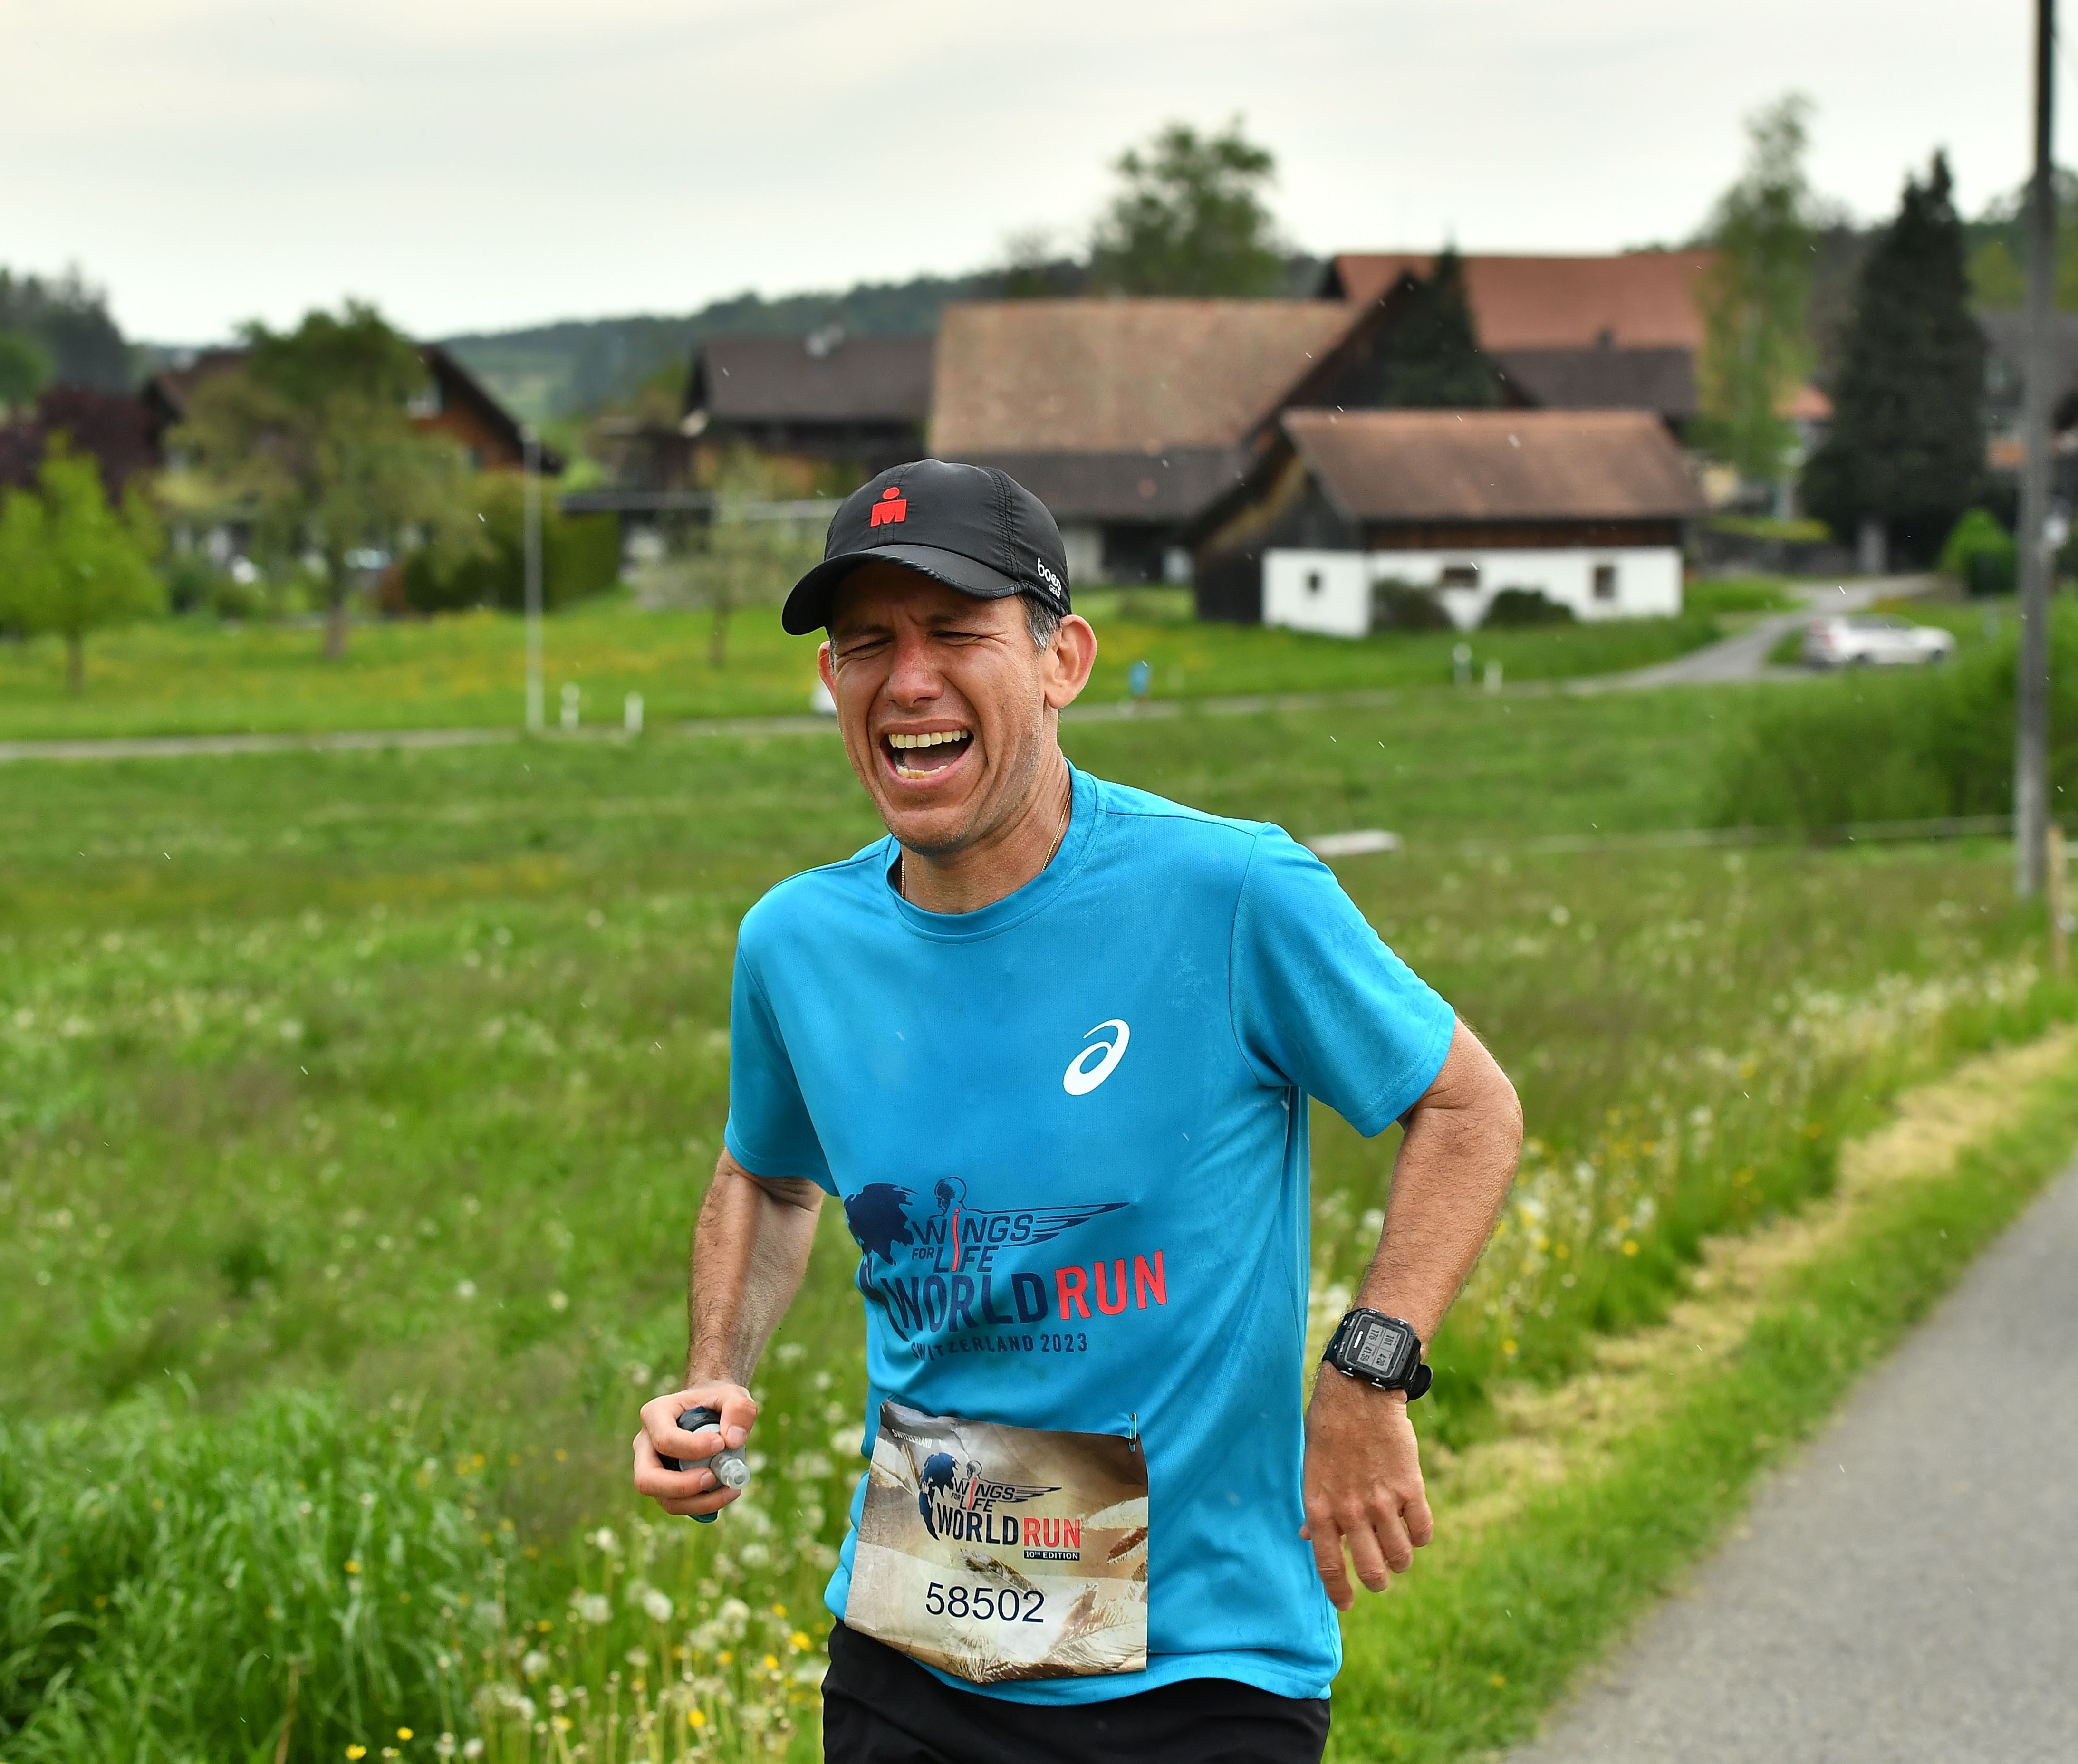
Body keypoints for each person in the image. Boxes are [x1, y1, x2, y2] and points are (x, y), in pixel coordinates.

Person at [632, 460, 1522, 1763]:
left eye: (956, 631)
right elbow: (767, 1176)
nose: (908, 679)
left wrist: (1366, 1376)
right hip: (913, 1655)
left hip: (1200, 1678)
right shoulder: (795, 942)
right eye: (867, 643)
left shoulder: (1230, 892)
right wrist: (715, 1378)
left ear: (1063, 662)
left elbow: (1467, 1106)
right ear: (831, 679)